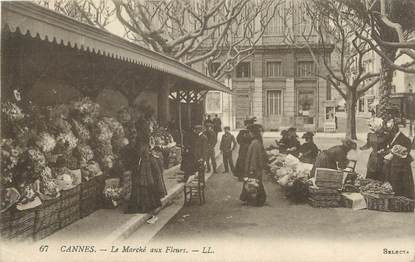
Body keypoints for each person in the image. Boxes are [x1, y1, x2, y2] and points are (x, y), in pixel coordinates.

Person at [126, 105, 164, 214]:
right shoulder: (145, 124)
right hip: (145, 154)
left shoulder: (140, 124)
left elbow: (139, 142)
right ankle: (150, 204)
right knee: (146, 180)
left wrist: (135, 148)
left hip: (141, 156)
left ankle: (142, 205)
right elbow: (146, 139)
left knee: (140, 181)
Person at [383, 119, 414, 199]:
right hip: (393, 164)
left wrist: (392, 153)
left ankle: (402, 198)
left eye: (390, 130)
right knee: (394, 183)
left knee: (402, 184)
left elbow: (405, 153)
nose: (389, 132)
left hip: (402, 166)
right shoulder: (391, 137)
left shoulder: (405, 139)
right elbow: (389, 147)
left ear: (395, 130)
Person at [240, 124, 267, 206]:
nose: (249, 134)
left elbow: (254, 157)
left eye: (250, 132)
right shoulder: (256, 142)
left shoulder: (255, 143)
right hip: (255, 167)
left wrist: (251, 169)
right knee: (255, 183)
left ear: (253, 133)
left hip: (253, 168)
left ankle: (258, 200)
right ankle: (254, 199)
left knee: (254, 183)